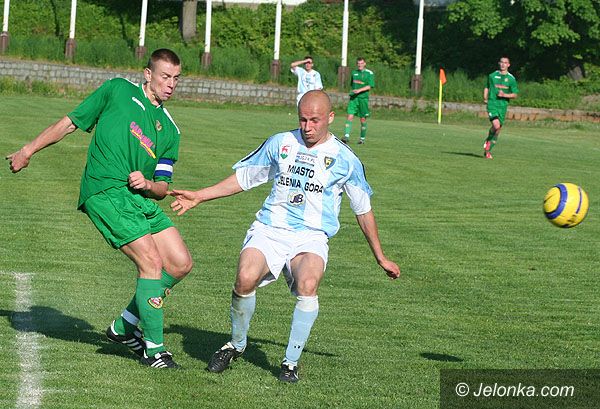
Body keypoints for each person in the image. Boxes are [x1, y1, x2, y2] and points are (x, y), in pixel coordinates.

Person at [169, 90, 400, 383]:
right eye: (303, 119)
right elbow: (245, 177)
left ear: (330, 118)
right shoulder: (281, 143)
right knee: (245, 278)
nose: (307, 127)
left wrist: (380, 257)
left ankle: (290, 363)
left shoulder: (346, 160)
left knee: (308, 284)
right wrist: (200, 196)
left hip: (311, 236)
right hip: (270, 228)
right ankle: (236, 345)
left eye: (315, 120)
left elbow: (363, 210)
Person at [6, 48, 193, 369]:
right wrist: (28, 150)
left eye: (176, 78)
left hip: (138, 198)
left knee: (179, 263)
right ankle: (155, 350)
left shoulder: (170, 130)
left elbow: (163, 186)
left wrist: (148, 185)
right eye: (165, 76)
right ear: (148, 74)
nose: (171, 84)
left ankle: (124, 326)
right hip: (105, 191)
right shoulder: (117, 90)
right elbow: (70, 123)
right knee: (150, 263)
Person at [483, 56, 519, 159]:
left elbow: (515, 94)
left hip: (502, 106)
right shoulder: (492, 76)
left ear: (508, 65)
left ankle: (488, 150)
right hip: (492, 104)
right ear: (499, 63)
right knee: (496, 125)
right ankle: (488, 141)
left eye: (505, 63)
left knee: (498, 130)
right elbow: (487, 86)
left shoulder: (511, 79)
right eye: (501, 62)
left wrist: (504, 95)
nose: (503, 64)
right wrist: (485, 97)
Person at [343, 57, 375, 145]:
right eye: (358, 63)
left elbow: (369, 86)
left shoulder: (369, 73)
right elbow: (352, 85)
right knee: (349, 116)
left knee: (363, 119)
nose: (360, 65)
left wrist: (359, 90)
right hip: (354, 99)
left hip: (363, 99)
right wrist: (353, 92)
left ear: (365, 64)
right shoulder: (354, 73)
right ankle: (346, 136)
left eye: (361, 63)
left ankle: (362, 139)